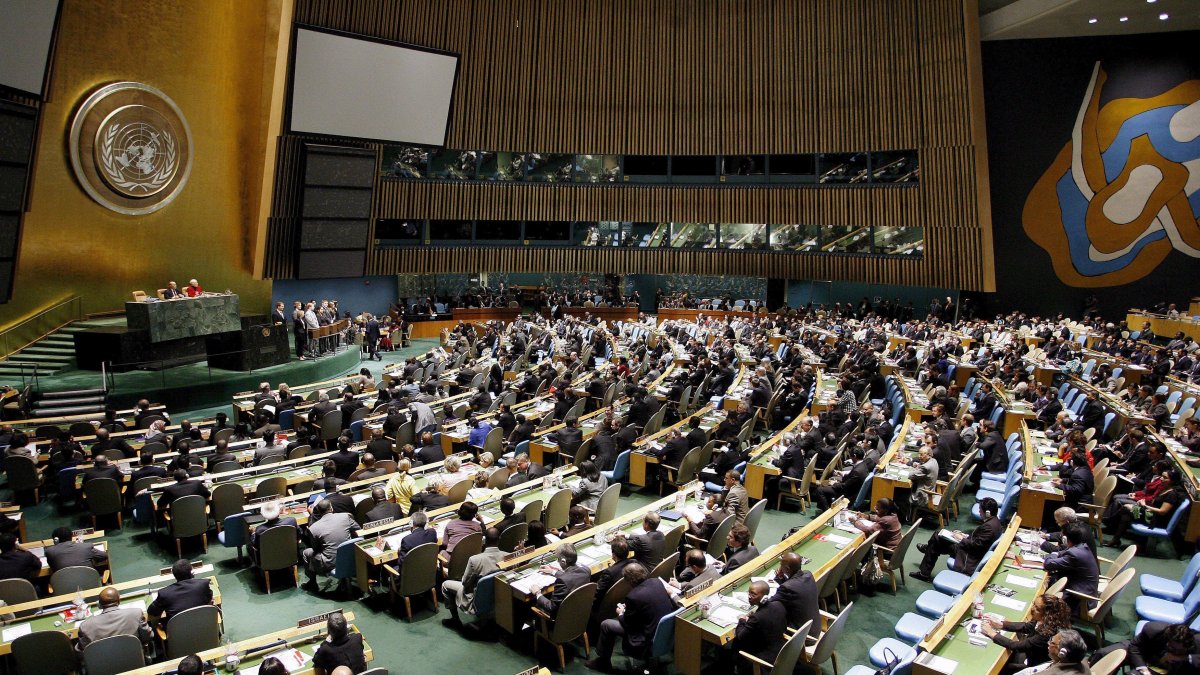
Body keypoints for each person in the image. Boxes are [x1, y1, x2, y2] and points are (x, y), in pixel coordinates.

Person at [587, 562, 675, 672]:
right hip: (663, 633)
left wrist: (621, 613)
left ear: (628, 581)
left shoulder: (633, 596)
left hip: (645, 639)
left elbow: (628, 623)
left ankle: (603, 662)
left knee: (606, 624)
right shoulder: (656, 582)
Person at [911, 497, 1002, 582]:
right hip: (969, 549)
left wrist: (961, 539)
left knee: (937, 538)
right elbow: (979, 540)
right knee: (938, 538)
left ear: (987, 513)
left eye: (980, 510)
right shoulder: (995, 522)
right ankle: (927, 557)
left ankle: (926, 563)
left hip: (968, 554)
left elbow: (976, 545)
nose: (979, 511)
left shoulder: (989, 527)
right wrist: (965, 535)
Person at [980, 594, 1073, 670]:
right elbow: (1027, 626)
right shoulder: (1047, 620)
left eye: (1037, 609)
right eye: (1034, 605)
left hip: (1035, 667)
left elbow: (1016, 646)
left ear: (1047, 614)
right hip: (1030, 655)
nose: (1032, 609)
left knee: (1002, 668)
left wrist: (991, 633)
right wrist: (1001, 624)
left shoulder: (1047, 634)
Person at [442, 527, 506, 628]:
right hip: (498, 596)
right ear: (499, 539)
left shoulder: (475, 560)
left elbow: (464, 582)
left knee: (445, 585)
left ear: (485, 540)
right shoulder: (507, 557)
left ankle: (455, 620)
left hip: (475, 596)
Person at [1092, 621, 1200, 675]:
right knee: (1103, 653)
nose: (1174, 651)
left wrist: (1183, 657)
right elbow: (1135, 647)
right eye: (1172, 647)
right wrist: (1142, 669)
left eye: (1179, 650)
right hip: (1146, 654)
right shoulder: (1154, 629)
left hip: (1170, 670)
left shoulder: (1197, 643)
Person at [729, 580, 788, 672]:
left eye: (753, 594)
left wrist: (742, 620)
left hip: (763, 660)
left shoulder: (756, 618)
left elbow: (740, 635)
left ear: (764, 597)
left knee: (735, 644)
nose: (749, 597)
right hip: (779, 651)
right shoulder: (779, 605)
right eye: (749, 593)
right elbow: (783, 627)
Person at [76, 587, 153, 654]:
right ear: (119, 601)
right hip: (135, 661)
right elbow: (148, 637)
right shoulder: (136, 614)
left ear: (99, 605)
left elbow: (82, 651)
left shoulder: (85, 626)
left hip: (103, 667)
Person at [1044, 523, 1099, 615]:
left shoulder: (1074, 555)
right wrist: (1056, 554)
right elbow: (1062, 552)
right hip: (1086, 592)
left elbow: (1048, 564)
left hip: (1080, 601)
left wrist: (1052, 554)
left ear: (1065, 539)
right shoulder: (1082, 546)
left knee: (1042, 602)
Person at [302, 500, 358, 589]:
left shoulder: (313, 528)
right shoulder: (345, 516)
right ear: (331, 508)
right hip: (350, 557)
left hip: (330, 563)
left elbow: (315, 549)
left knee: (306, 552)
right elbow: (358, 530)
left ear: (319, 512)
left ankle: (312, 582)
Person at [147, 559, 214, 626]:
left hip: (179, 634)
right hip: (204, 629)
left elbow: (151, 612)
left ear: (174, 575)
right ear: (192, 573)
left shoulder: (165, 593)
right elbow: (210, 600)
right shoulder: (203, 584)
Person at [533, 542, 591, 616]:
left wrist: (537, 593)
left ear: (563, 561)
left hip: (563, 619)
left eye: (558, 559)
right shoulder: (586, 570)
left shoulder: (562, 581)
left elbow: (551, 607)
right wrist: (553, 571)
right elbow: (571, 577)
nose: (557, 561)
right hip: (582, 613)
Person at [772, 552, 820, 636]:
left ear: (787, 569)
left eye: (781, 564)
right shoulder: (808, 574)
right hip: (815, 629)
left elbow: (770, 603)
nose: (780, 566)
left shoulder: (787, 588)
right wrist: (781, 578)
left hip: (802, 637)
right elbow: (794, 586)